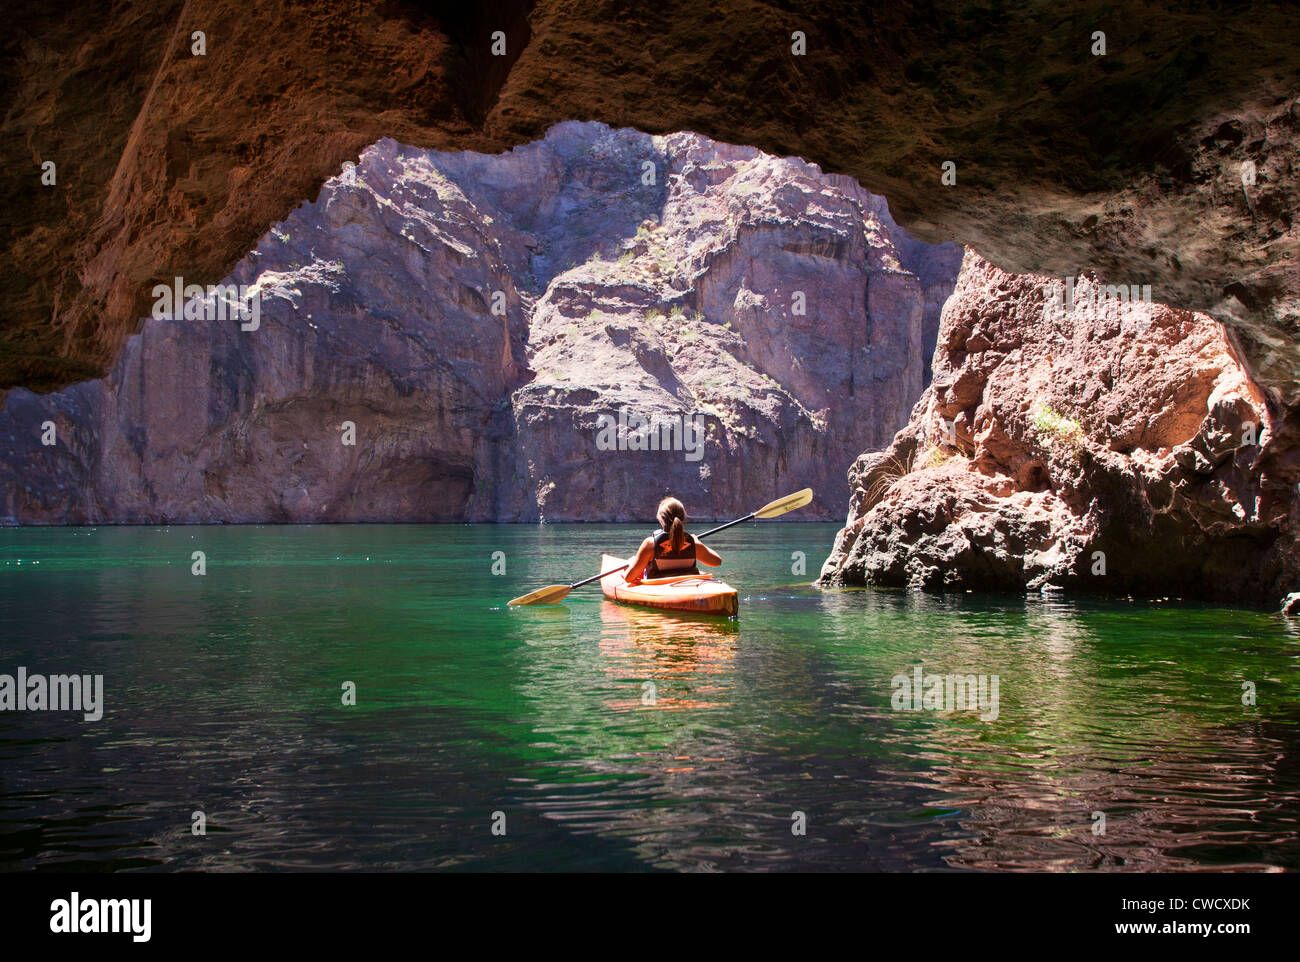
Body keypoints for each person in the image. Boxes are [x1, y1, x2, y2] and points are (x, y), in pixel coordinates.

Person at [625, 497, 722, 584]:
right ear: (683, 518)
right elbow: (717, 561)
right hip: (688, 584)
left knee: (632, 561)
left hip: (659, 587)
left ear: (660, 519)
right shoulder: (693, 543)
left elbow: (628, 578)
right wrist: (696, 542)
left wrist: (631, 564)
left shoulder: (650, 544)